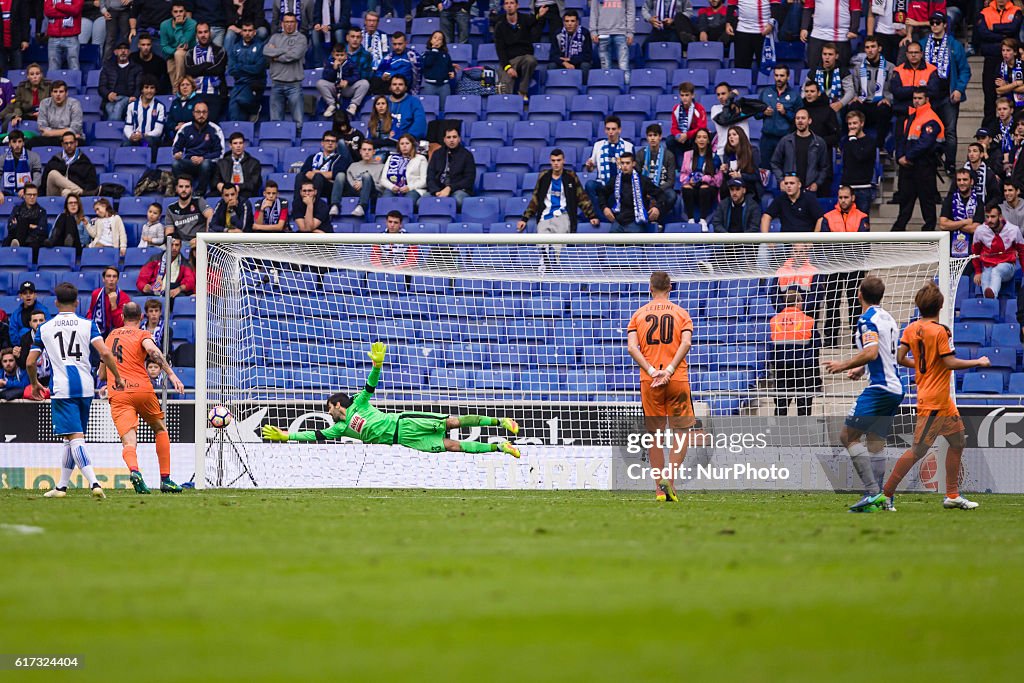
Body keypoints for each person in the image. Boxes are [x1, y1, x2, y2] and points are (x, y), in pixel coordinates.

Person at [263, 342, 522, 456]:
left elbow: (370, 386)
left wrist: (377, 365)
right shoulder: (341, 428)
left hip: (406, 423)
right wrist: (287, 436)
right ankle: (500, 447)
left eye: (329, 408)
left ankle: (500, 421)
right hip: (406, 440)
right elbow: (316, 436)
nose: (328, 413)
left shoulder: (358, 403)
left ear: (338, 404)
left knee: (452, 422)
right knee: (452, 447)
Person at [883, 284, 990, 511]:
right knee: (918, 450)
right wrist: (977, 362)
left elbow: (901, 358)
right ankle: (886, 494)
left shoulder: (911, 329)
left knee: (958, 441)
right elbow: (950, 362)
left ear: (919, 306)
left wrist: (924, 369)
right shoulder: (941, 331)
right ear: (940, 306)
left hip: (942, 400)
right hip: (933, 400)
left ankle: (952, 495)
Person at [30, 282, 124, 500]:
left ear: (55, 303)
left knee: (75, 438)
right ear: (77, 302)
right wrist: (117, 377)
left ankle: (94, 483)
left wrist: (35, 383)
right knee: (70, 439)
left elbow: (29, 362)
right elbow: (106, 354)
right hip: (85, 387)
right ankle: (61, 487)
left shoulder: (44, 328)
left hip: (63, 389)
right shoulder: (87, 324)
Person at [823, 276, 905, 513]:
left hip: (879, 388)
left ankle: (872, 493)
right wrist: (861, 369)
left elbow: (870, 352)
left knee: (847, 436)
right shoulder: (888, 317)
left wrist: (844, 364)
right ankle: (883, 499)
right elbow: (882, 353)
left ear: (859, 295)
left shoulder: (866, 320)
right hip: (895, 388)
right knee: (875, 443)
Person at [100, 302, 185, 494]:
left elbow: (102, 373)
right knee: (160, 428)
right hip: (142, 389)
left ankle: (135, 471)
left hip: (118, 392)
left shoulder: (111, 336)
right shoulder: (143, 334)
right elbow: (153, 351)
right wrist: (171, 374)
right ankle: (166, 479)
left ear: (122, 318)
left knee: (129, 442)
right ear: (141, 318)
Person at [626, 271, 695, 502]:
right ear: (671, 288)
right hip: (676, 378)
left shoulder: (638, 315)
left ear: (650, 288)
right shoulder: (682, 313)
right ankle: (670, 478)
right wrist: (670, 370)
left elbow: (632, 348)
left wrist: (653, 371)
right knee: (683, 431)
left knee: (655, 436)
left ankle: (659, 490)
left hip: (650, 380)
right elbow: (686, 342)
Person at [518, 148, 599, 272]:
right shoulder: (544, 177)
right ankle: (544, 260)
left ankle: (556, 261)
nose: (556, 163)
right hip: (546, 215)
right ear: (550, 162)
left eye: (558, 160)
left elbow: (581, 197)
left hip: (563, 215)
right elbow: (535, 199)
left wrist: (591, 216)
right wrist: (525, 218)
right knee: (542, 235)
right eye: (553, 160)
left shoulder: (571, 177)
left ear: (563, 161)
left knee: (559, 238)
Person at [819, 186, 869, 346]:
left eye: (846, 197)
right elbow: (824, 244)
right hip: (834, 265)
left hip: (854, 265)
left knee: (854, 302)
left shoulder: (862, 216)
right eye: (840, 197)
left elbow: (863, 244)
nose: (843, 200)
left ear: (852, 198)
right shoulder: (828, 217)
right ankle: (830, 338)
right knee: (832, 302)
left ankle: (857, 338)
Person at [922, 11, 970, 176]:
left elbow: (965, 70)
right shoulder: (922, 44)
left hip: (948, 96)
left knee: (950, 131)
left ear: (944, 24)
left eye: (938, 22)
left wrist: (959, 89)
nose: (934, 25)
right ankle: (930, 162)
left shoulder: (954, 45)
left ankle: (949, 164)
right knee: (929, 130)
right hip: (927, 97)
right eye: (932, 22)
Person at [892, 88, 944, 232]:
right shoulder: (911, 117)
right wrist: (900, 157)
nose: (916, 101)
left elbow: (925, 144)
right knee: (905, 200)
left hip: (924, 165)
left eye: (920, 98)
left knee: (927, 201)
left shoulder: (931, 118)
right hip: (908, 167)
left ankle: (928, 231)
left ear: (927, 100)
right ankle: (898, 230)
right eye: (915, 98)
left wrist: (907, 157)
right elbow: (902, 139)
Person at [768, 290, 822, 417]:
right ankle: (804, 434)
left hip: (781, 369)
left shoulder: (774, 321)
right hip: (803, 369)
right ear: (797, 303)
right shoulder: (808, 321)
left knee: (781, 405)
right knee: (804, 406)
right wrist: (816, 377)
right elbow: (816, 346)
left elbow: (771, 346)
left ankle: (779, 433)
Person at [977, 0, 1023, 127]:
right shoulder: (985, 12)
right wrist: (1005, 36)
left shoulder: (1016, 11)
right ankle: (989, 128)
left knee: (1015, 94)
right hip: (991, 58)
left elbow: (1013, 28)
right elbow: (983, 33)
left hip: (1013, 61)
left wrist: (994, 28)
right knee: (990, 96)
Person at [598, 152, 665, 233]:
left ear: (633, 164)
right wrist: (604, 208)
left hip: (636, 222)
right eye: (622, 163)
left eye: (627, 163)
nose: (625, 166)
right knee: (610, 244)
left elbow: (661, 195)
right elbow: (602, 193)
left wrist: (657, 208)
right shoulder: (615, 180)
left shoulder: (643, 180)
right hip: (618, 222)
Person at [848, 36, 894, 152]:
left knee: (884, 109)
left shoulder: (890, 67)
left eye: (873, 47)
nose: (870, 50)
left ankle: (879, 147)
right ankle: (854, 144)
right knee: (853, 107)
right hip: (864, 103)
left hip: (880, 103)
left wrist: (888, 98)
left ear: (879, 48)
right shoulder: (858, 68)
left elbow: (895, 89)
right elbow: (854, 87)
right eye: (867, 47)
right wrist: (854, 97)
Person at [265, 12, 309, 130]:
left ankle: (299, 147)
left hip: (294, 85)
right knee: (275, 122)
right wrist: (286, 50)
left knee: (298, 122)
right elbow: (266, 51)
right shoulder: (275, 37)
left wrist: (276, 54)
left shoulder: (301, 38)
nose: (289, 25)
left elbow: (294, 56)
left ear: (296, 24)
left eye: (292, 22)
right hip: (276, 84)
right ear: (282, 24)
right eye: (286, 22)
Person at [171, 101, 225, 196]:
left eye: (204, 112)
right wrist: (177, 154)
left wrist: (203, 158)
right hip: (189, 161)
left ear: (208, 113)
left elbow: (220, 152)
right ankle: (182, 190)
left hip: (207, 162)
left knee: (206, 164)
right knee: (176, 164)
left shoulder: (215, 129)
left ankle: (199, 192)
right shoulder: (185, 128)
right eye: (198, 112)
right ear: (193, 113)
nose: (201, 115)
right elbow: (176, 148)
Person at [771, 109, 830, 195]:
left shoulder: (819, 142)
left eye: (803, 118)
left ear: (809, 121)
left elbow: (824, 167)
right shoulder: (785, 141)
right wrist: (781, 180)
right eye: (797, 118)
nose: (800, 121)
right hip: (790, 189)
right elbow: (775, 162)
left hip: (809, 190)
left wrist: (817, 183)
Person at [972, 203, 1024, 298]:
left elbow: (1022, 252)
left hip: (1007, 266)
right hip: (988, 266)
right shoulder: (980, 231)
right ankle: (989, 300)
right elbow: (975, 253)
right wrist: (978, 271)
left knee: (997, 271)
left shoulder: (1013, 230)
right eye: (987, 217)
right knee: (985, 277)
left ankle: (992, 294)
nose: (989, 220)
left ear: (1000, 217)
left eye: (993, 217)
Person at [584, 115, 634, 211]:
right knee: (589, 185)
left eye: (613, 129)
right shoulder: (598, 145)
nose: (611, 132)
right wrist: (589, 166)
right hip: (603, 184)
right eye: (608, 129)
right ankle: (601, 215)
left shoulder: (628, 146)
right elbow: (590, 168)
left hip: (621, 185)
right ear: (605, 130)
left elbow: (632, 170)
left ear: (619, 130)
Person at [495, 0, 540, 99]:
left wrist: (539, 15)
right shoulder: (500, 25)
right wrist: (508, 67)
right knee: (503, 88)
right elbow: (500, 50)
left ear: (517, 5)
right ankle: (507, 106)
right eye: (506, 3)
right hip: (509, 60)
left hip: (524, 57)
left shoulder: (525, 19)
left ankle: (522, 92)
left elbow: (534, 20)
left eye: (512, 3)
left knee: (531, 60)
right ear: (504, 7)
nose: (509, 6)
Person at [184, 22, 228, 121]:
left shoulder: (220, 50)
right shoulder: (190, 53)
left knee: (209, 122)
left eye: (205, 32)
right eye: (200, 32)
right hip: (195, 95)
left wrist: (198, 69)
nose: (203, 35)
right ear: (196, 35)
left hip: (215, 94)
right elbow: (189, 71)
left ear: (210, 33)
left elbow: (218, 70)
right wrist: (206, 64)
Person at [226, 20, 267, 123]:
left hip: (255, 83)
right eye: (245, 30)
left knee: (242, 99)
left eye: (250, 30)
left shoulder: (260, 47)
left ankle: (255, 108)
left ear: (254, 32)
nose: (247, 33)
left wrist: (240, 67)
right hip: (239, 84)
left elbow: (258, 69)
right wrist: (248, 69)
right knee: (233, 111)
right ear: (241, 32)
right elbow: (231, 70)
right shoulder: (235, 47)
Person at [319, 39, 371, 119]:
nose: (339, 57)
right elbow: (326, 77)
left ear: (346, 55)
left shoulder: (350, 63)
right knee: (320, 83)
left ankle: (353, 105)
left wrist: (347, 81)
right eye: (337, 55)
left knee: (364, 83)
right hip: (334, 88)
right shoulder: (329, 63)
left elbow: (357, 76)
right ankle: (331, 105)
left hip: (347, 88)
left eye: (342, 55)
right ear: (333, 55)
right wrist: (334, 69)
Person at [426, 127, 475, 211]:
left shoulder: (467, 155)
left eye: (454, 137)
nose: (451, 140)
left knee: (457, 201)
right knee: (421, 202)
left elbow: (469, 179)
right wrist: (436, 191)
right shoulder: (437, 154)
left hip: (458, 190)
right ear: (444, 139)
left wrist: (450, 188)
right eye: (448, 137)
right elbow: (430, 176)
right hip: (438, 190)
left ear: (459, 139)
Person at [294, 130, 348, 205]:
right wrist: (317, 175)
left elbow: (334, 174)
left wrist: (317, 173)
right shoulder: (313, 157)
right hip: (311, 185)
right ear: (322, 143)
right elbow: (305, 172)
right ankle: (297, 206)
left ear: (336, 145)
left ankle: (315, 207)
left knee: (318, 177)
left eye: (333, 141)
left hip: (329, 188)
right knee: (299, 176)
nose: (330, 143)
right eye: (327, 141)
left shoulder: (341, 159)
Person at [939, 170, 984, 260]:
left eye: (965, 179)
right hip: (950, 249)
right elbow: (943, 225)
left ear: (971, 181)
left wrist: (953, 224)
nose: (961, 183)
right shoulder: (949, 200)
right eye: (959, 180)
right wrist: (966, 221)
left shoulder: (978, 201)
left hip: (972, 250)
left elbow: (974, 228)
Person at [801, 0, 858, 70]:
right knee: (814, 71)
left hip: (841, 35)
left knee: (841, 72)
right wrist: (804, 27)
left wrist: (854, 29)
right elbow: (808, 6)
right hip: (818, 34)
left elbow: (856, 8)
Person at [758, 65, 798, 166]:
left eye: (782, 75)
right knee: (765, 171)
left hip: (784, 139)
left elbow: (799, 119)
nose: (779, 78)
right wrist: (764, 113)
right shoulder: (765, 92)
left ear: (788, 77)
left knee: (784, 170)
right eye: (776, 75)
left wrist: (786, 113)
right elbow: (756, 114)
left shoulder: (795, 95)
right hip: (766, 139)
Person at [638, 123, 679, 220]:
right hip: (645, 189)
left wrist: (656, 191)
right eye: (650, 135)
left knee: (672, 195)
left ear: (660, 137)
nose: (652, 138)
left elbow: (670, 181)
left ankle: (658, 218)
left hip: (662, 188)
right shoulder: (640, 154)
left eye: (655, 135)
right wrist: (646, 190)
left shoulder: (669, 155)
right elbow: (637, 176)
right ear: (647, 138)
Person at [164, 175, 213, 253]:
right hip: (180, 244)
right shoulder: (171, 209)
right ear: (176, 188)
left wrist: (204, 239)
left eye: (187, 186)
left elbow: (210, 214)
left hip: (199, 241)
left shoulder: (199, 201)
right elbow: (169, 233)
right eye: (181, 186)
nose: (184, 189)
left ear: (191, 189)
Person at [122, 75, 166, 161]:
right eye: (146, 87)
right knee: (126, 144)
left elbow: (158, 131)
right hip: (135, 139)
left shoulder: (160, 107)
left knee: (149, 141)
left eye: (152, 88)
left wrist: (143, 136)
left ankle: (150, 165)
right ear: (141, 89)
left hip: (150, 140)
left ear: (155, 90)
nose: (149, 91)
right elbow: (128, 126)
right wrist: (131, 136)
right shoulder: (131, 106)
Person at [679, 128, 719, 222]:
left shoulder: (714, 157)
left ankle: (703, 220)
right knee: (686, 188)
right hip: (693, 185)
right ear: (696, 140)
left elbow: (718, 178)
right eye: (699, 137)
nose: (701, 140)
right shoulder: (688, 155)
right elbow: (682, 174)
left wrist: (704, 178)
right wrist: (689, 180)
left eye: (704, 137)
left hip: (708, 187)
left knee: (704, 188)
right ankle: (690, 219)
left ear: (708, 141)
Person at [841, 110, 877, 212]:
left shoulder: (870, 142)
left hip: (863, 188)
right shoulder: (846, 141)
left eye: (855, 123)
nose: (852, 126)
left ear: (862, 123)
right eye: (849, 124)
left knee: (862, 224)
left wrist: (852, 138)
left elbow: (860, 156)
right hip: (847, 188)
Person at [727, 0, 780, 70]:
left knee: (766, 68)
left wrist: (771, 24)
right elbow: (731, 5)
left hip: (764, 32)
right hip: (742, 30)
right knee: (741, 67)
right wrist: (728, 22)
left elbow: (776, 5)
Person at [590, 0, 633, 83]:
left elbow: (630, 12)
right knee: (605, 68)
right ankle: (608, 90)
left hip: (621, 33)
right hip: (603, 33)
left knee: (624, 67)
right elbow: (593, 12)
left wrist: (630, 32)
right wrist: (593, 31)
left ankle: (626, 93)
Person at [99, 40, 143, 122]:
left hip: (129, 100)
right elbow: (102, 87)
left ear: (129, 52)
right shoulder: (107, 68)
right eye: (120, 49)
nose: (123, 51)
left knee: (118, 106)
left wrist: (134, 97)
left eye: (125, 49)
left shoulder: (137, 68)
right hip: (111, 100)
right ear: (115, 52)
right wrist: (108, 95)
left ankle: (111, 130)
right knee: (111, 108)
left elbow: (139, 86)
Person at [33, 81, 85, 149]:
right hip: (52, 139)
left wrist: (50, 133)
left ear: (66, 93)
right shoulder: (44, 103)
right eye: (55, 91)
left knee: (73, 142)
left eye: (61, 91)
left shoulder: (75, 104)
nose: (58, 94)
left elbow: (75, 128)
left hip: (70, 139)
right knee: (31, 142)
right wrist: (66, 131)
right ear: (51, 93)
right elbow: (42, 127)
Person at [3, 184, 48, 262]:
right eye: (29, 194)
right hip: (15, 236)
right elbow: (10, 226)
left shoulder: (42, 211)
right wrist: (30, 226)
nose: (32, 197)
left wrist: (21, 225)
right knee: (7, 239)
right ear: (24, 195)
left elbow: (42, 229)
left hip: (32, 240)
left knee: (35, 243)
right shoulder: (17, 209)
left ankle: (18, 248)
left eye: (34, 195)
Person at [380, 134, 427, 207]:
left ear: (412, 145)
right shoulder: (391, 158)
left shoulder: (421, 158)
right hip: (393, 189)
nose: (404, 146)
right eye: (402, 144)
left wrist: (409, 187)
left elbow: (424, 181)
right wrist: (392, 187)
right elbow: (383, 179)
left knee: (405, 204)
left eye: (407, 143)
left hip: (413, 190)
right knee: (385, 203)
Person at [213, 132, 262, 202]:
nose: (238, 146)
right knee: (210, 197)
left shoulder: (254, 163)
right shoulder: (221, 163)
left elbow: (254, 184)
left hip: (244, 192)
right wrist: (218, 184)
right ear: (230, 145)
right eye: (235, 143)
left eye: (240, 143)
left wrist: (238, 187)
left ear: (244, 145)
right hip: (226, 191)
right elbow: (215, 180)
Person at [668, 81, 708, 165]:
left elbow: (702, 128)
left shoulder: (699, 108)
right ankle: (674, 165)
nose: (684, 98)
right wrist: (679, 135)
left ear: (692, 95)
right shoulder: (676, 108)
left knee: (700, 137)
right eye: (682, 95)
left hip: (693, 139)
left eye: (687, 95)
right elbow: (673, 127)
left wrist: (687, 135)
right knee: (670, 140)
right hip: (681, 139)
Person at [808, 43, 855, 114]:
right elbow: (804, 90)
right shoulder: (814, 71)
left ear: (836, 56)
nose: (827, 57)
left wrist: (840, 103)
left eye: (830, 54)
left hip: (836, 104)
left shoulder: (843, 71)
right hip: (817, 104)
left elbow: (850, 91)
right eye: (824, 54)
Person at [1, 64, 51, 130]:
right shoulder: (22, 86)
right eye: (32, 74)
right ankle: (5, 137)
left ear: (41, 75)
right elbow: (17, 104)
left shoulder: (48, 86)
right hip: (27, 114)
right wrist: (17, 116)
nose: (35, 76)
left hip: (44, 114)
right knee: (8, 117)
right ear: (28, 76)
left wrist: (43, 113)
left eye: (37, 74)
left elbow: (52, 103)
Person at [160, 2, 197, 91]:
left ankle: (177, 87)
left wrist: (178, 26)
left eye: (181, 11)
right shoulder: (164, 25)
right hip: (172, 54)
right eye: (175, 12)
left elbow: (184, 43)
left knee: (179, 54)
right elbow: (164, 46)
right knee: (172, 62)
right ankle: (177, 91)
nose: (178, 14)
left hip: (189, 54)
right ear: (172, 13)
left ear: (185, 12)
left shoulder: (192, 24)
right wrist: (174, 50)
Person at [87, 266, 131, 336]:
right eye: (108, 276)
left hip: (116, 335)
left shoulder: (124, 297)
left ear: (118, 279)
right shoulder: (96, 294)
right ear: (103, 279)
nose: (111, 279)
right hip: (97, 333)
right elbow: (91, 313)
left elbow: (121, 324)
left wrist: (114, 306)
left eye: (114, 277)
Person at [718, 125, 761, 199]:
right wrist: (726, 171)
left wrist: (741, 176)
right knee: (724, 188)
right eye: (729, 135)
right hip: (732, 184)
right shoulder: (728, 152)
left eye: (734, 134)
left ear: (741, 137)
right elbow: (728, 177)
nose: (731, 137)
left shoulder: (753, 151)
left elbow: (756, 176)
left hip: (748, 184)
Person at [372, 32, 420, 96]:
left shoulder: (412, 56)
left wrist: (391, 76)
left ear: (406, 43)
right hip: (388, 86)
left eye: (400, 44)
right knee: (374, 81)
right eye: (395, 44)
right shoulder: (388, 58)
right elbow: (379, 71)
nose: (397, 47)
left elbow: (415, 74)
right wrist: (382, 76)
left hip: (404, 87)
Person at [1, 131, 43, 202]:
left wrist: (27, 189)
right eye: (14, 142)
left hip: (29, 192)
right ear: (9, 144)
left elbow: (38, 179)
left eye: (19, 141)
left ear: (23, 143)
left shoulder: (34, 157)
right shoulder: (2, 159)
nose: (17, 145)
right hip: (6, 193)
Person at [709, 83, 749, 157]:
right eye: (718, 95)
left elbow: (756, 109)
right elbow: (725, 119)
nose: (720, 97)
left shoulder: (741, 107)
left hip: (743, 151)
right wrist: (731, 98)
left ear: (729, 93)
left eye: (723, 93)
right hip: (723, 150)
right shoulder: (715, 109)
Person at [800, 80, 839, 155]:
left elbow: (836, 136)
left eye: (812, 91)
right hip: (803, 151)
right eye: (807, 91)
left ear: (818, 93)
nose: (809, 94)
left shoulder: (828, 111)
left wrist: (819, 142)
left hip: (823, 152)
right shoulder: (801, 110)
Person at [552, 9, 593, 80]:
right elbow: (552, 55)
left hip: (578, 63)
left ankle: (584, 87)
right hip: (562, 63)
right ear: (563, 22)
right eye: (567, 21)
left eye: (572, 21)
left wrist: (571, 60)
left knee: (585, 65)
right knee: (551, 65)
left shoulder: (585, 33)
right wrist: (564, 63)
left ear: (577, 22)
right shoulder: (558, 33)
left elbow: (588, 56)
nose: (569, 24)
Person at [45, 0, 84, 71]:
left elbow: (75, 10)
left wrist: (58, 5)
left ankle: (74, 82)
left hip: (71, 36)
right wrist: (68, 11)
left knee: (74, 65)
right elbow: (48, 11)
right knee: (53, 66)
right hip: (54, 36)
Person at [387, 75, 427, 141]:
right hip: (386, 140)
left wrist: (408, 138)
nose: (397, 87)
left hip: (408, 141)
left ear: (405, 87)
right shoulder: (384, 102)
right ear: (390, 87)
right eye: (394, 84)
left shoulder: (414, 102)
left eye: (400, 84)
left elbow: (420, 121)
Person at [964, 142, 1000, 206]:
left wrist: (989, 206)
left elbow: (996, 196)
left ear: (981, 154)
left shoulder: (989, 173)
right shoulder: (962, 173)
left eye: (975, 151)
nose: (971, 154)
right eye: (969, 151)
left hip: (984, 209)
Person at [0, 0, 29, 73]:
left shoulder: (19, 1)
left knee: (17, 72)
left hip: (16, 42)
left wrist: (25, 39)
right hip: (0, 44)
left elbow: (24, 20)